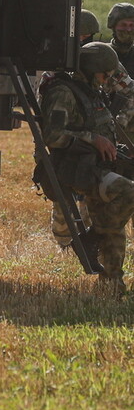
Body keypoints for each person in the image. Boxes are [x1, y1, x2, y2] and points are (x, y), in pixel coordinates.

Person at [40, 42, 134, 295]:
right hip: (74, 169)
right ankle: (92, 237)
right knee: (127, 193)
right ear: (92, 69)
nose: (107, 80)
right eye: (105, 74)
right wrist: (93, 139)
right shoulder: (63, 93)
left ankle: (112, 283)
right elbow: (52, 136)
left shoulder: (90, 90)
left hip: (93, 166)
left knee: (114, 225)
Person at [107, 2, 134, 78]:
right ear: (114, 27)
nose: (128, 29)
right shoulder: (105, 53)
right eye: (123, 25)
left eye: (132, 25)